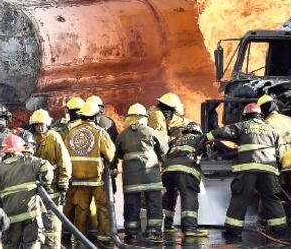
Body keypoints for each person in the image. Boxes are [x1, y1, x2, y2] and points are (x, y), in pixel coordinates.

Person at [205, 102, 287, 239]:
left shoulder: (243, 126)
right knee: (271, 199)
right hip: (268, 171)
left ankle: (233, 230)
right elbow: (280, 151)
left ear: (245, 115)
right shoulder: (271, 129)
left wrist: (206, 137)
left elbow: (222, 132)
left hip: (248, 171)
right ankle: (279, 229)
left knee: (240, 198)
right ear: (260, 115)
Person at [63, 99, 116, 245]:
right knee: (103, 208)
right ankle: (104, 238)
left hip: (77, 178)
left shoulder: (71, 132)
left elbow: (65, 155)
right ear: (95, 116)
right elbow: (110, 154)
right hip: (96, 178)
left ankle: (79, 238)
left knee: (81, 208)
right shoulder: (100, 132)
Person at [115, 104, 168, 243]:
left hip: (131, 179)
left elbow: (118, 154)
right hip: (151, 177)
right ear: (144, 118)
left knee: (131, 205)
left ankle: (131, 233)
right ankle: (154, 232)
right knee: (154, 204)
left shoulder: (122, 135)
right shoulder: (152, 132)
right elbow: (164, 150)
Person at [0, 134, 54, 249]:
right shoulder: (28, 161)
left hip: (10, 216)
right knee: (32, 243)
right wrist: (45, 184)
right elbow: (46, 167)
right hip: (30, 214)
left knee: (10, 245)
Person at [258, 93, 291, 229]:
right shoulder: (289, 120)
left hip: (280, 164)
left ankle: (263, 219)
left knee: (269, 192)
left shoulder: (267, 124)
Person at [30, 109, 71, 249]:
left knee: (52, 222)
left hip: (52, 187)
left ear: (48, 124)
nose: (40, 128)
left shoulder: (54, 137)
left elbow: (64, 161)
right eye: (37, 125)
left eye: (42, 125)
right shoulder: (31, 138)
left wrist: (63, 183)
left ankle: (53, 246)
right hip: (34, 188)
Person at [161, 121, 208, 239]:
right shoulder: (200, 138)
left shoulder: (176, 141)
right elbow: (208, 153)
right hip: (186, 171)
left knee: (169, 196)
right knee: (189, 196)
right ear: (198, 131)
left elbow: (165, 155)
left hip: (167, 171)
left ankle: (166, 225)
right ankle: (190, 229)